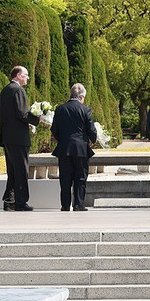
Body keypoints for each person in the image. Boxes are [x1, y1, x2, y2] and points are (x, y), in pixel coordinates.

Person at [49, 83, 97, 211]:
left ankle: (65, 205)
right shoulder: (85, 109)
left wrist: (63, 140)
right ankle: (79, 204)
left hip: (64, 148)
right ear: (81, 96)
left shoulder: (60, 109)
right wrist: (93, 140)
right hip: (81, 148)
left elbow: (54, 129)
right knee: (80, 177)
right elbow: (91, 129)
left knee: (65, 178)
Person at [0, 66, 40, 211]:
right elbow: (22, 113)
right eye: (25, 75)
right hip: (18, 138)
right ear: (17, 76)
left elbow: (7, 114)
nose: (27, 78)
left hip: (8, 137)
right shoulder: (18, 90)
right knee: (22, 170)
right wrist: (37, 119)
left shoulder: (5, 90)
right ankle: (21, 202)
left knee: (12, 170)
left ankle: (9, 200)